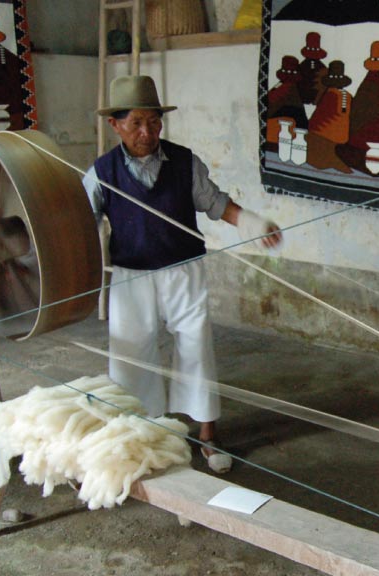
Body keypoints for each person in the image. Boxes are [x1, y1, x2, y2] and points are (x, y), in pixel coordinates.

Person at [83, 75, 281, 474]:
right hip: (131, 275)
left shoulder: (184, 162)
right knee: (131, 352)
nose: (147, 132)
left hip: (183, 270)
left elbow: (216, 204)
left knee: (195, 344)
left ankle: (206, 437)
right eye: (136, 123)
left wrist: (252, 224)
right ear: (115, 125)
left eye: (154, 122)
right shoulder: (100, 173)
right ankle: (146, 433)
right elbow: (79, 225)